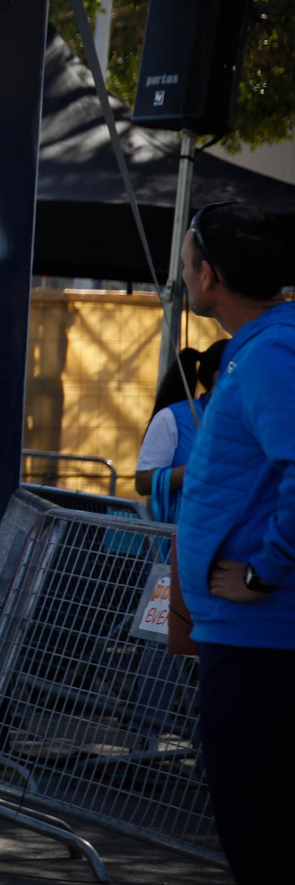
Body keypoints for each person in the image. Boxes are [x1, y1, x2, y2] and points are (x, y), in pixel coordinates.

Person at [172, 202, 295, 884]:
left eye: (187, 262)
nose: (182, 275)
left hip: (262, 636)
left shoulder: (274, 349)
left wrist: (261, 573)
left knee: (261, 826)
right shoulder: (262, 346)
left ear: (210, 274)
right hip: (246, 634)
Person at [136, 340, 228, 522]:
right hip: (185, 535)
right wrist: (192, 471)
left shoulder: (257, 419)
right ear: (219, 377)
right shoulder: (173, 418)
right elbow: (143, 482)